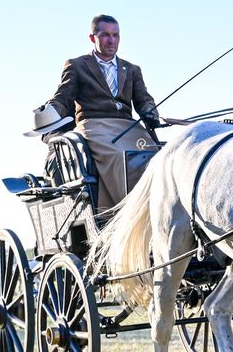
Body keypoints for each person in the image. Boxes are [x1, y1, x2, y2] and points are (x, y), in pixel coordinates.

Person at [39, 14, 162, 211]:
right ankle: (129, 209)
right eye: (105, 35)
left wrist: (150, 113)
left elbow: (144, 99)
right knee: (118, 157)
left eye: (116, 35)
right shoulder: (77, 65)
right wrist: (50, 113)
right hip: (94, 125)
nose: (111, 40)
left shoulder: (131, 69)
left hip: (128, 127)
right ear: (92, 37)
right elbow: (63, 97)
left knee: (155, 155)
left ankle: (158, 206)